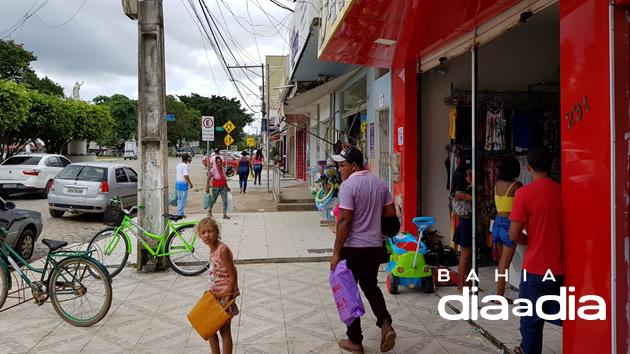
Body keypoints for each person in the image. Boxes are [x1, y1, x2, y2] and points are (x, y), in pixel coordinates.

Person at [330, 146, 397, 353]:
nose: (340, 170)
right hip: (374, 246)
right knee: (370, 286)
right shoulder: (379, 183)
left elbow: (345, 221)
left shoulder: (348, 187)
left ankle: (355, 340)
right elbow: (390, 213)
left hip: (353, 248)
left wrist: (336, 253)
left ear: (354, 165)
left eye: (342, 165)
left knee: (348, 291)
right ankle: (385, 324)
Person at [509, 147, 563, 354]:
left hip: (535, 269)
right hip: (562, 268)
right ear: (552, 166)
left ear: (528, 167)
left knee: (531, 320)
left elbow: (514, 235)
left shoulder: (524, 193)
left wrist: (531, 240)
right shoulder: (563, 191)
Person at [198, 217, 240, 354]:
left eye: (210, 231)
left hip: (224, 295)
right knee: (209, 328)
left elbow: (233, 273)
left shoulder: (223, 250)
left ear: (217, 232)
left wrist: (229, 295)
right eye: (203, 233)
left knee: (224, 330)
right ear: (199, 235)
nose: (207, 235)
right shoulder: (212, 250)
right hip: (214, 295)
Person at [492, 157, 522, 303]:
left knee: (501, 261)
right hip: (509, 224)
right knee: (505, 262)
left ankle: (499, 291)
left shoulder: (497, 184)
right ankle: (499, 295)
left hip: (496, 224)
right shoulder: (517, 186)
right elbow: (519, 207)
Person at [451, 167, 473, 293]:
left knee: (469, 257)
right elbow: (477, 199)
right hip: (465, 224)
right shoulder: (460, 193)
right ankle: (461, 284)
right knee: (464, 257)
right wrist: (473, 183)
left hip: (468, 224)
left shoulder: (464, 191)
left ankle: (469, 283)